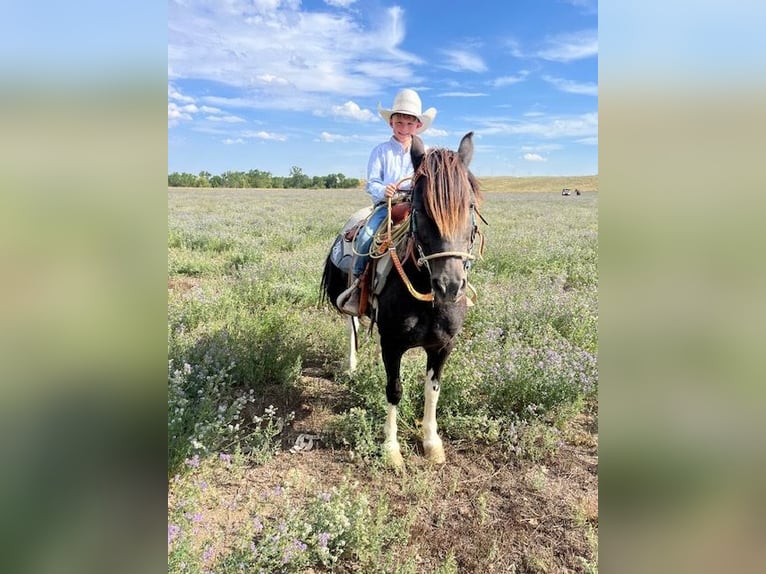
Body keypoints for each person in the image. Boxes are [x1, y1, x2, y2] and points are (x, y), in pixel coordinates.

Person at [337, 88, 437, 316]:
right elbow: (371, 183)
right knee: (365, 239)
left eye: (409, 124)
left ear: (418, 126)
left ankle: (451, 286)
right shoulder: (381, 151)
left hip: (417, 206)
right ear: (391, 123)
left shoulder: (427, 152)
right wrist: (386, 190)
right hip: (388, 206)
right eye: (399, 123)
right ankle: (357, 286)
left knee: (443, 237)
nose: (404, 128)